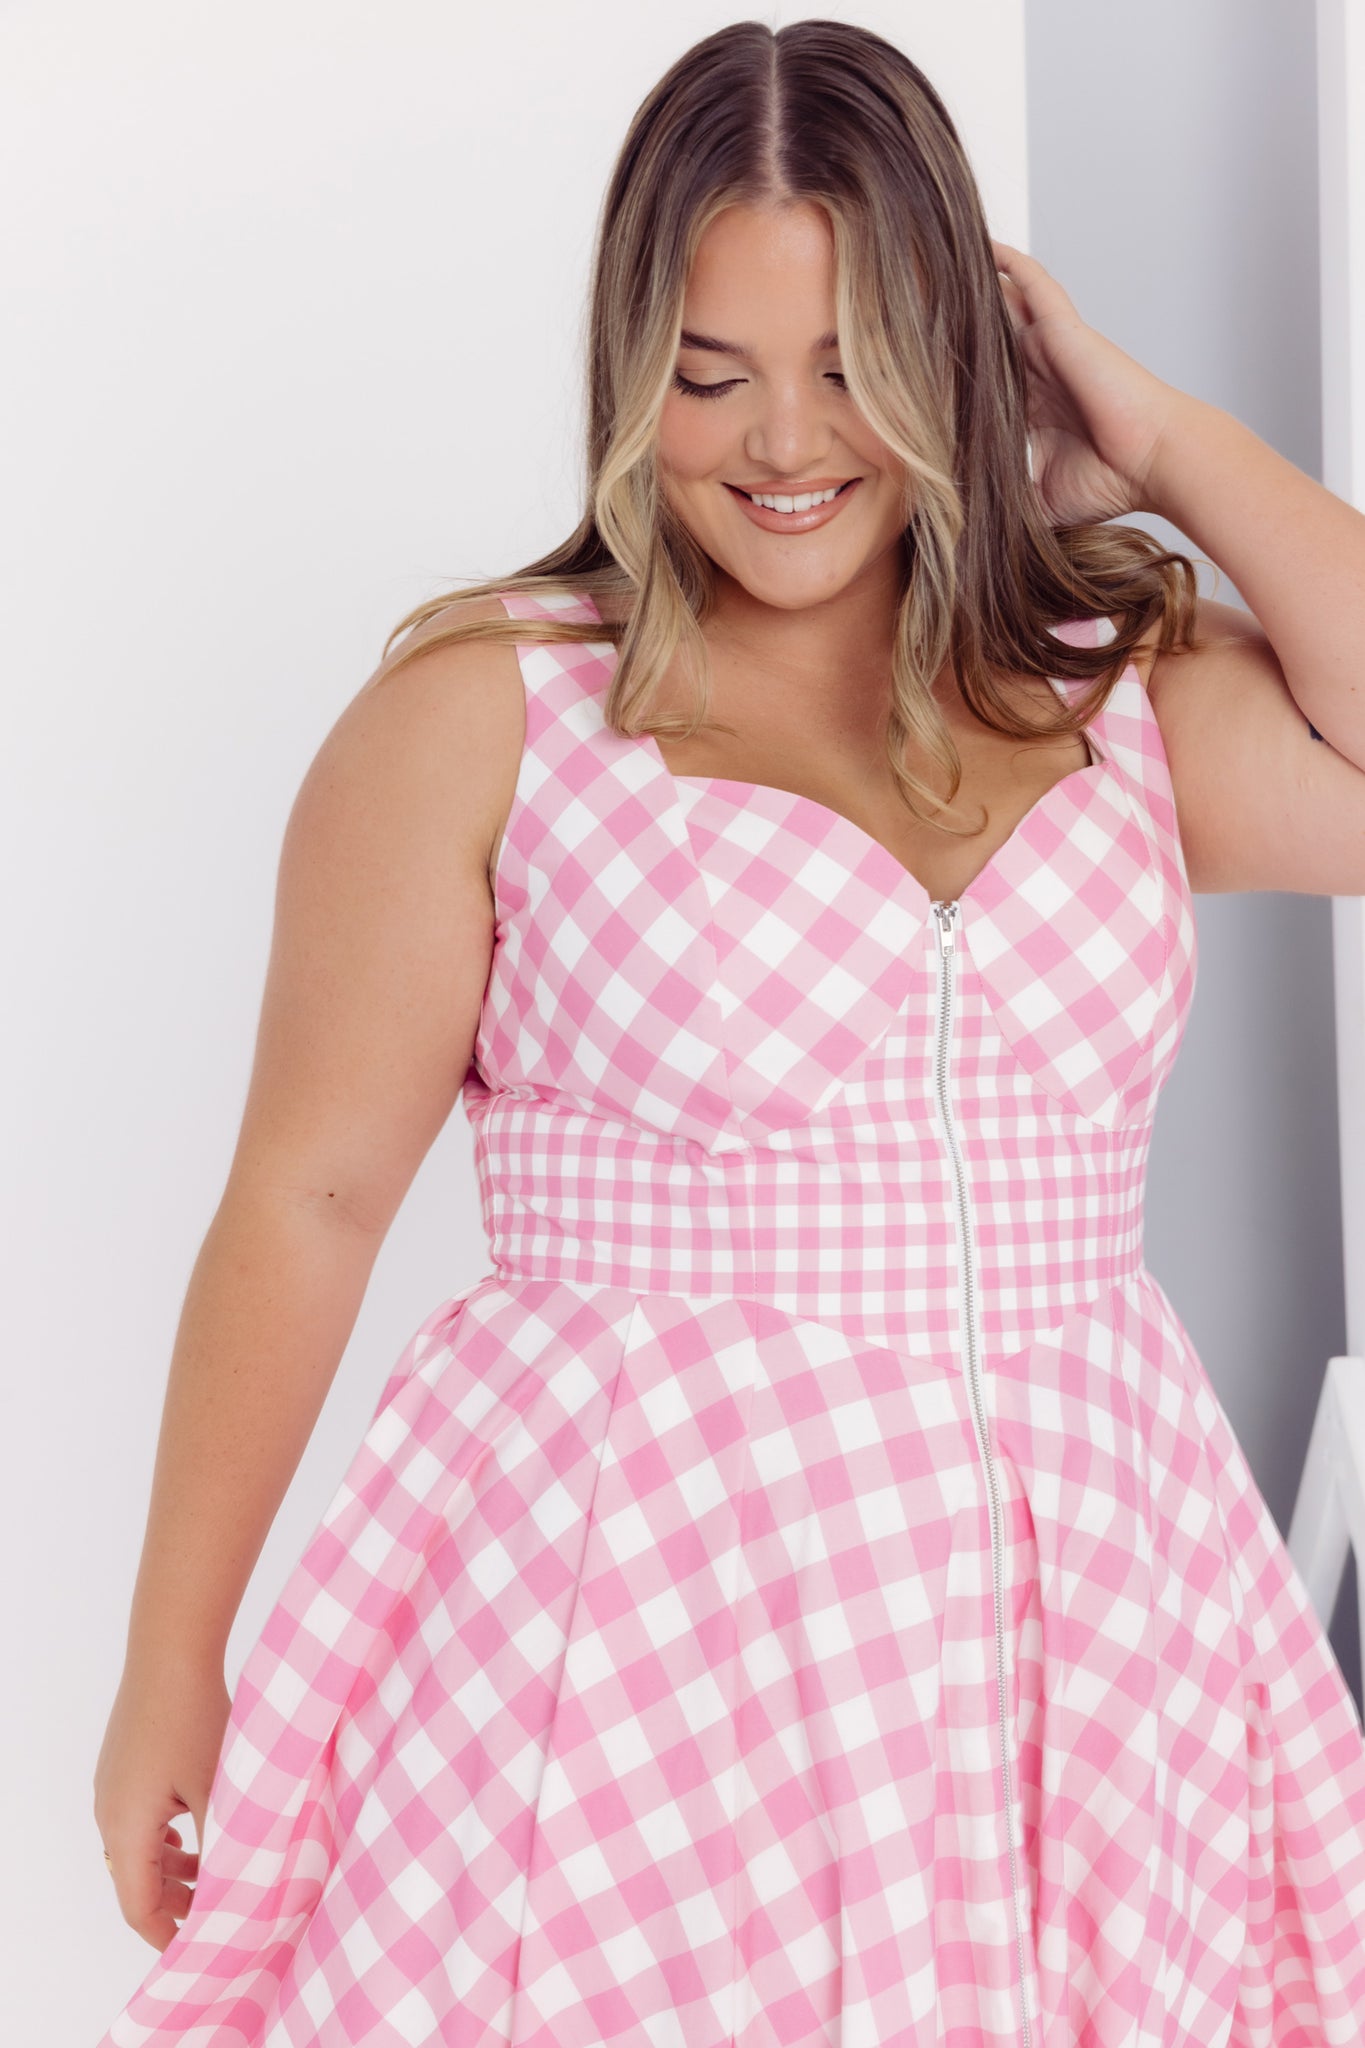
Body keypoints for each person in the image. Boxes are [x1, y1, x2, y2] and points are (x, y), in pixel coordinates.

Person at [92, 17, 1365, 2045]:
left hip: (1087, 1637)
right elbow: (310, 1195)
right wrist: (174, 1653)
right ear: (628, 372)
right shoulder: (485, 723)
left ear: (964, 354)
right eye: (709, 375)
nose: (783, 444)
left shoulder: (1101, 694)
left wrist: (1150, 434)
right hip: (651, 1652)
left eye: (856, 363)